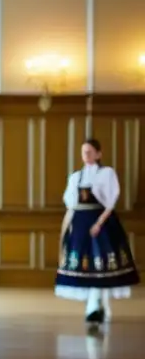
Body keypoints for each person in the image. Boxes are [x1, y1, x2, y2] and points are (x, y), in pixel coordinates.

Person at [55, 138, 139, 324]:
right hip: (80, 224)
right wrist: (65, 230)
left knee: (100, 264)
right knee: (86, 265)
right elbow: (71, 206)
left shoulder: (106, 173)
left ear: (99, 154)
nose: (86, 155)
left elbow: (110, 203)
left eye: (90, 152)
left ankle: (97, 304)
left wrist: (99, 224)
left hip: (103, 222)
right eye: (84, 152)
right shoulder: (76, 177)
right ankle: (93, 304)